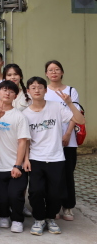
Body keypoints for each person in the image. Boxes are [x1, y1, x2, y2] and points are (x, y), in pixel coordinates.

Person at [22, 77, 85, 236]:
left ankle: (50, 218)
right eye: (33, 87)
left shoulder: (56, 107)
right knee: (36, 191)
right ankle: (39, 219)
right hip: (36, 158)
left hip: (56, 158)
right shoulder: (25, 114)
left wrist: (69, 103)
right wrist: (26, 159)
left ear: (45, 90)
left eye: (40, 87)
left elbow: (80, 120)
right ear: (28, 91)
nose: (37, 90)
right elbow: (26, 140)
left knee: (55, 192)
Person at [0, 80, 30, 234]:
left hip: (15, 165)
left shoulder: (20, 116)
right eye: (4, 90)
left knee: (15, 195)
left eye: (11, 91)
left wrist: (18, 165)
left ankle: (17, 220)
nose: (7, 93)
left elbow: (22, 141)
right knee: (1, 197)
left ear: (15, 96)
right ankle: (3, 215)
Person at [44, 60, 79, 221]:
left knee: (67, 173)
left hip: (68, 140)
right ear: (46, 73)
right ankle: (54, 206)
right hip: (49, 140)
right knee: (51, 175)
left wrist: (68, 133)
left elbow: (75, 113)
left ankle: (68, 206)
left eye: (57, 69)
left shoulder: (71, 91)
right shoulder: (44, 91)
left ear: (62, 72)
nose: (54, 72)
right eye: (50, 70)